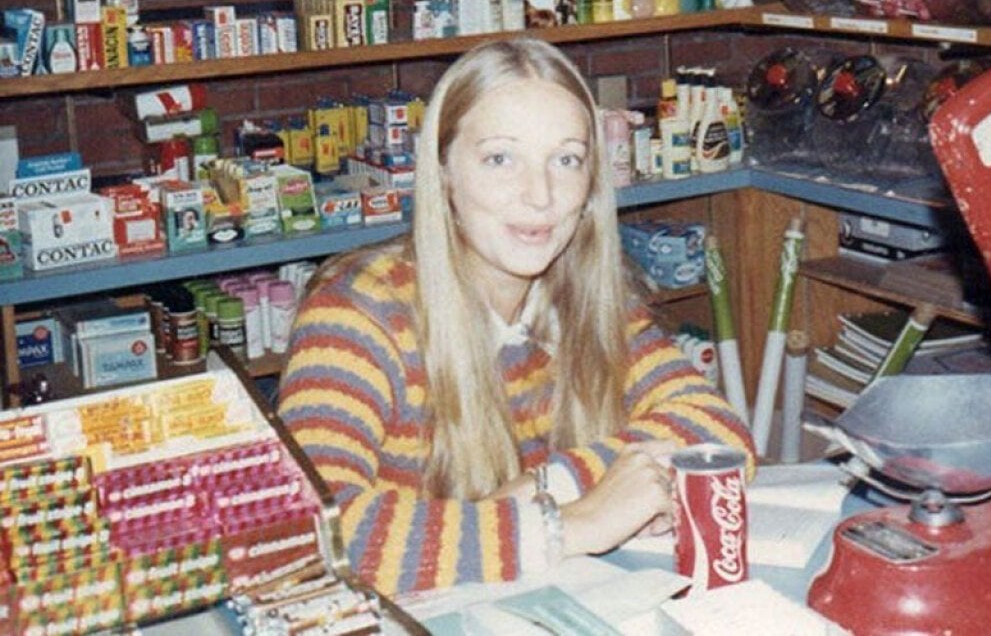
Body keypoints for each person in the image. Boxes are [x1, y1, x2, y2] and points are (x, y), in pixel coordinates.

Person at [278, 38, 754, 596]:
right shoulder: (356, 313)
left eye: (566, 160)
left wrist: (550, 483)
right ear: (445, 173)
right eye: (500, 158)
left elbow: (718, 437)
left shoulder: (591, 298)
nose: (541, 196)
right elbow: (307, 536)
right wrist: (569, 522)